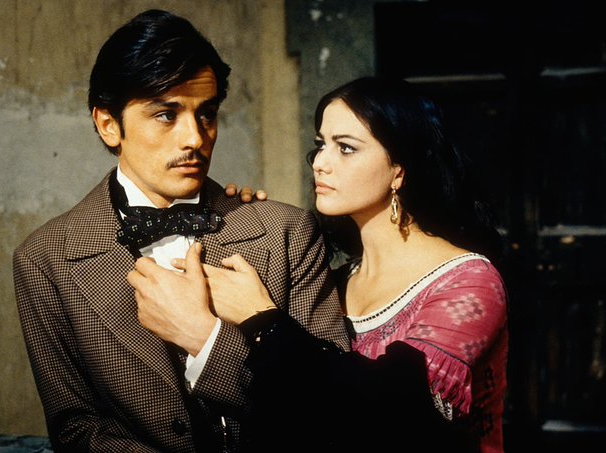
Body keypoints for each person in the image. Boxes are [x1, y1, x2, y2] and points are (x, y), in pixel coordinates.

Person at [12, 9, 349, 453]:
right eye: (166, 115)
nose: (195, 138)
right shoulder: (45, 258)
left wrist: (205, 340)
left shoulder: (284, 231)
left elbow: (334, 414)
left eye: (206, 114)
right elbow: (77, 431)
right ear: (108, 125)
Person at [131, 77, 508, 452]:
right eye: (320, 145)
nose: (321, 164)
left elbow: (396, 417)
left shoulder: (469, 283)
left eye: (346, 148)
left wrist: (262, 318)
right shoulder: (337, 278)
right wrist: (242, 217)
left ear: (399, 169)